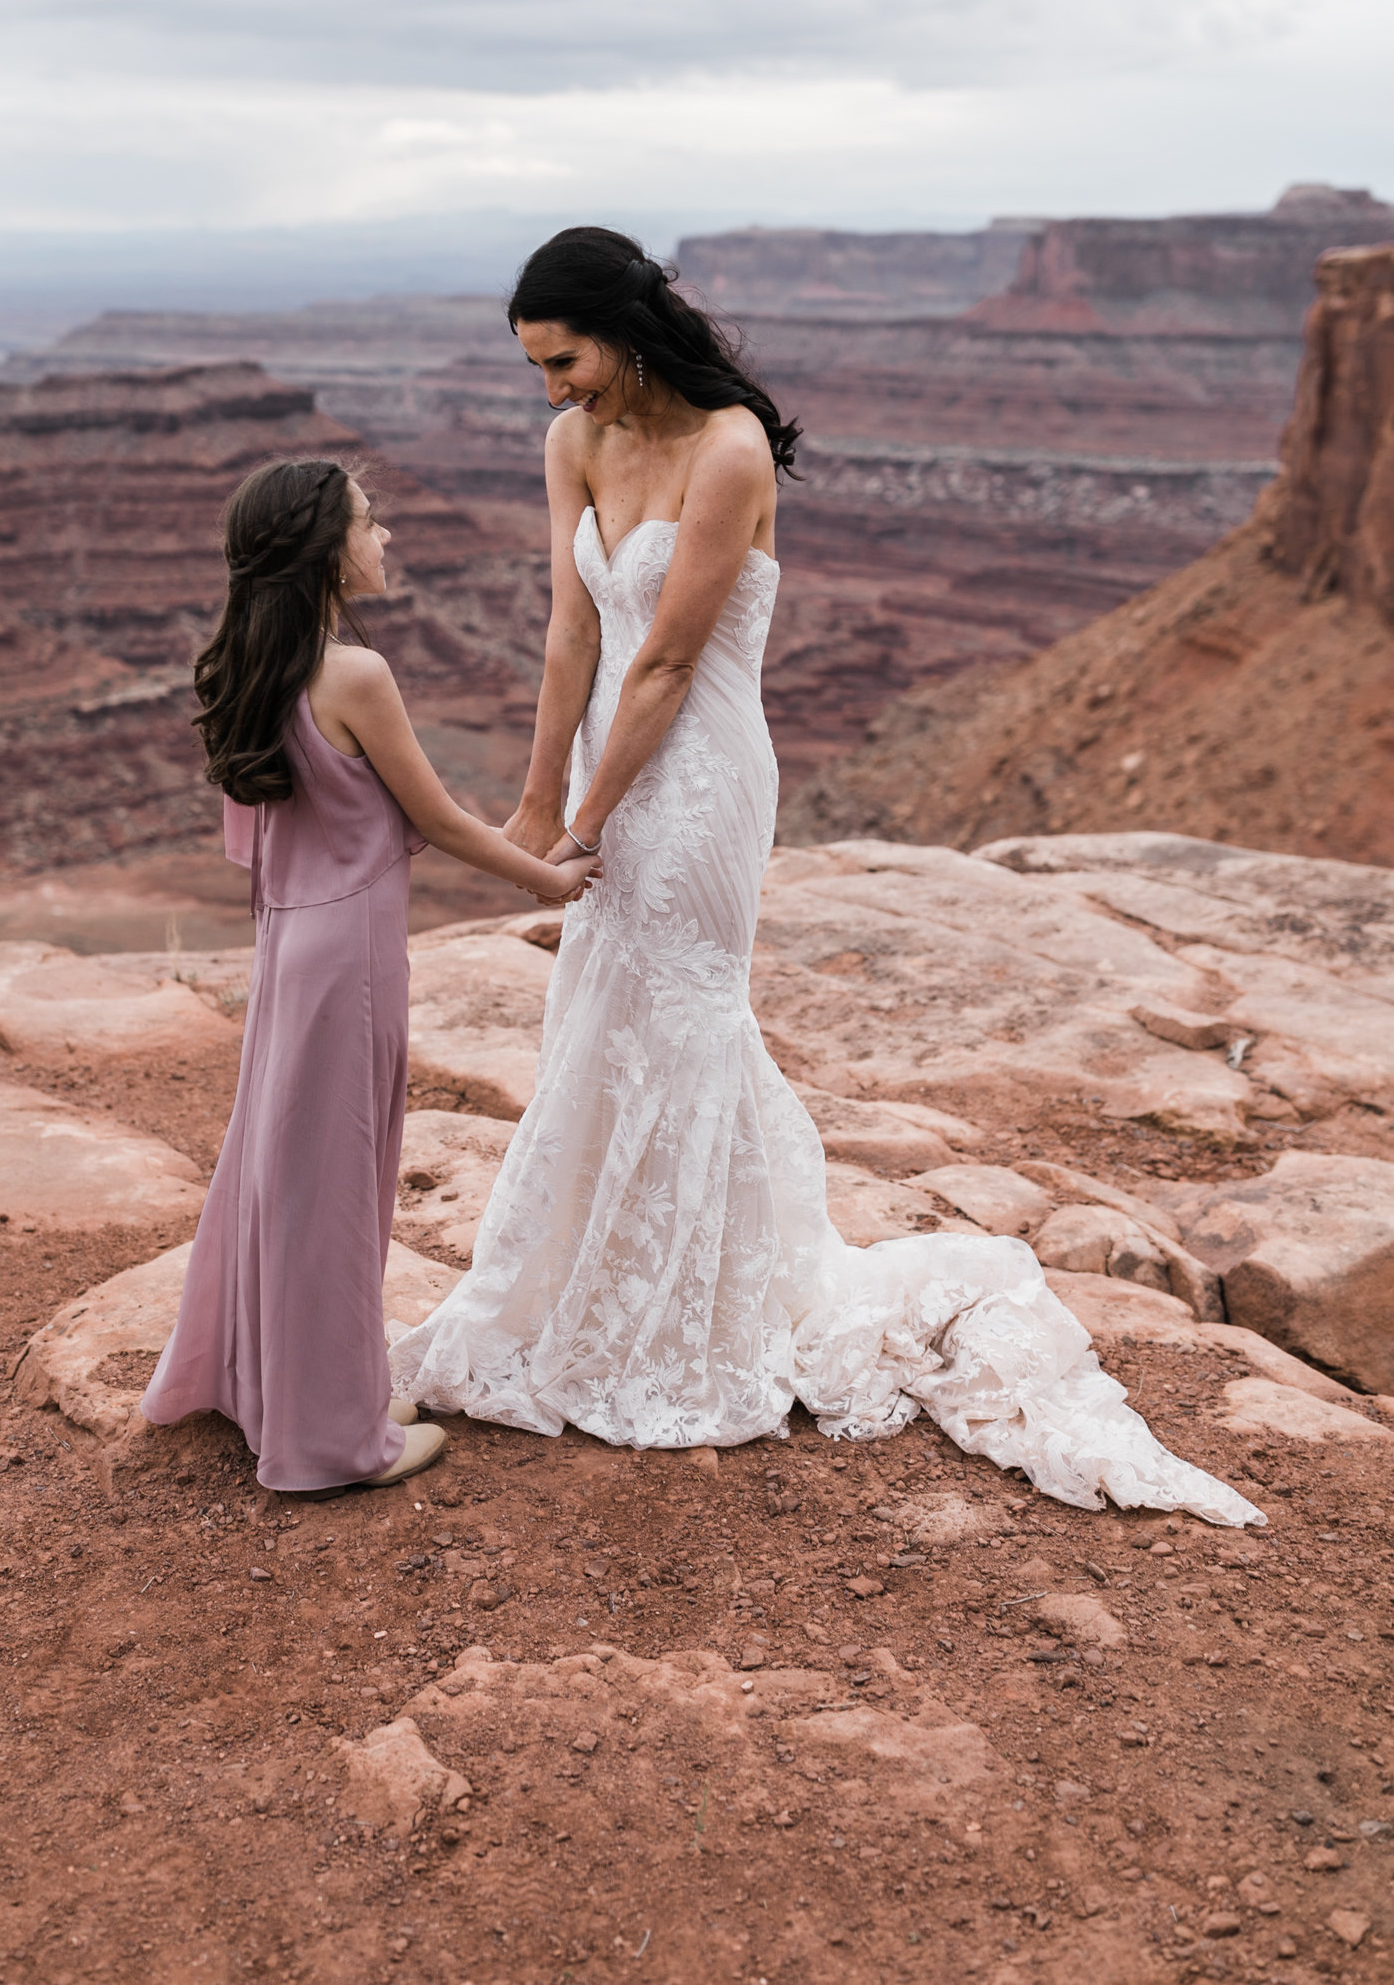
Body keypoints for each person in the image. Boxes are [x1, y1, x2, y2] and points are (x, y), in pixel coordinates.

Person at [388, 228, 1261, 1527]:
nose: (549, 390)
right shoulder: (572, 442)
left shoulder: (726, 447)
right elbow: (573, 627)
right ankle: (603, 1281)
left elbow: (672, 668)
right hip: (601, 759)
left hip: (693, 783)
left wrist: (587, 816)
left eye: (561, 361)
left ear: (621, 332)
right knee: (604, 1014)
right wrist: (532, 807)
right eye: (533, 369)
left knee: (681, 1018)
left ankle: (689, 1320)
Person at [140, 457, 598, 1493]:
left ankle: (291, 1389)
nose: (384, 536)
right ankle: (332, 1441)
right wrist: (549, 879)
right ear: (323, 551)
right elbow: (433, 818)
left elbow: (297, 834)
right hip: (348, 959)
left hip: (287, 946)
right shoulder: (355, 675)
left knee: (280, 1175)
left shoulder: (246, 664)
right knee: (338, 1186)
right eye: (368, 520)